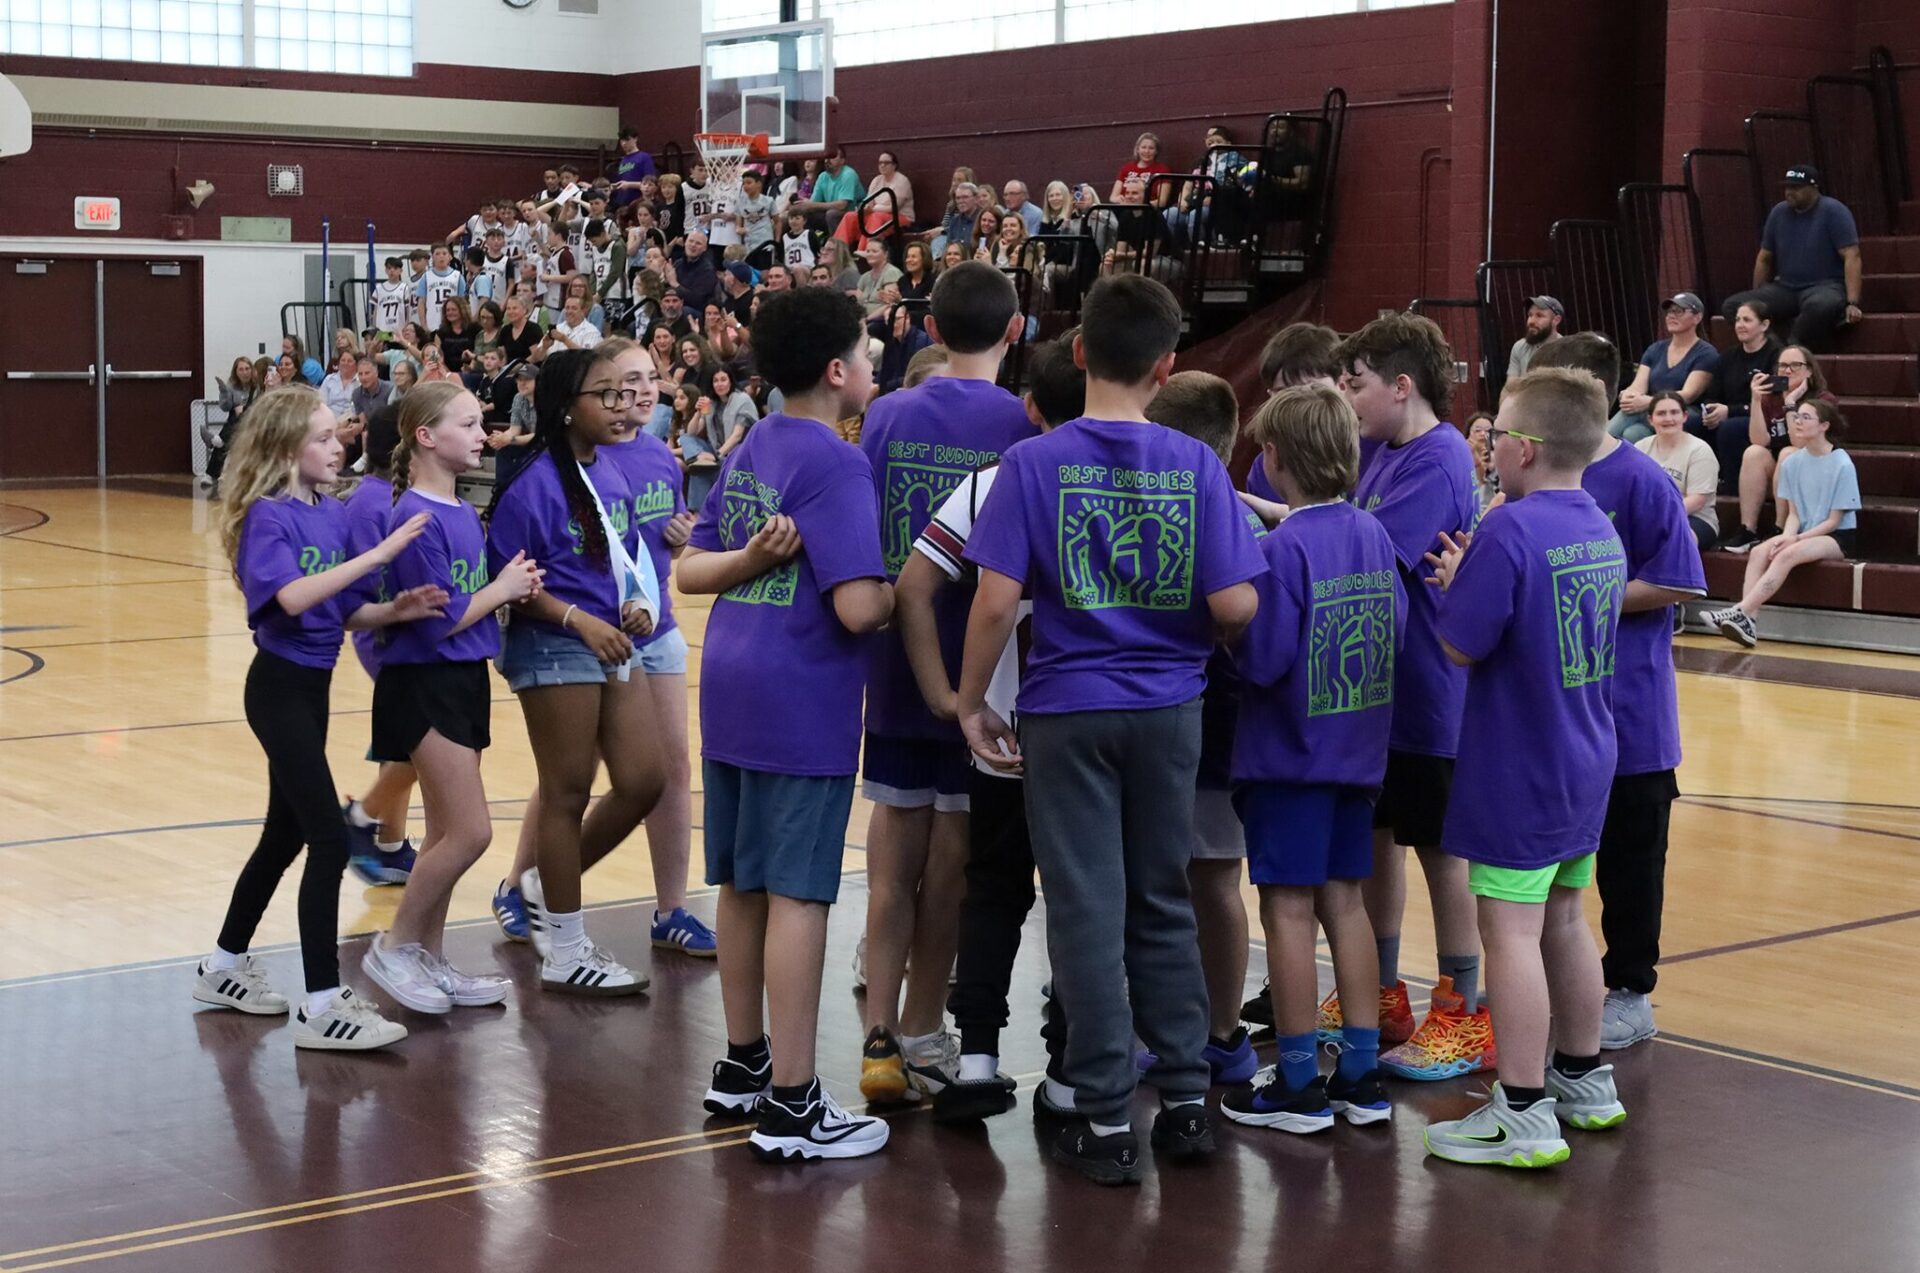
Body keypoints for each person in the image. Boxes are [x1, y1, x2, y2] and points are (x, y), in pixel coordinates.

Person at [958, 274, 1263, 1185]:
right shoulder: (1198, 463)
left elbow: (996, 599)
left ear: (1079, 351)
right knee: (1162, 899)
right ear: (1168, 367)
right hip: (1170, 709)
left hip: (1067, 709)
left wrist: (972, 700)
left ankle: (1100, 1116)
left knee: (1086, 907)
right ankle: (1181, 1102)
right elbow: (1234, 600)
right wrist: (1205, 630)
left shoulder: (1033, 464)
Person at [678, 287, 894, 1162]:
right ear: (839, 370)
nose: (874, 362)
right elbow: (855, 610)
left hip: (730, 681)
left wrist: (752, 560)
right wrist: (911, 578)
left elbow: (692, 570)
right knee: (801, 889)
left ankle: (742, 1065)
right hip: (801, 694)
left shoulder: (755, 440)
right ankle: (796, 1103)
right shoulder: (839, 463)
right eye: (869, 350)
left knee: (743, 881)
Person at [194, 386, 445, 1051]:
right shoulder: (267, 517)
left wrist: (394, 610)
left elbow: (337, 609)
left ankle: (222, 967)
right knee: (330, 839)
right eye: (325, 437)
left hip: (312, 691)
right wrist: (377, 557)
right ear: (284, 448)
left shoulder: (328, 515)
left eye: (340, 435)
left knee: (283, 836)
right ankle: (322, 1002)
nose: (340, 447)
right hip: (275, 689)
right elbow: (295, 594)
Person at [1421, 368, 1629, 1168]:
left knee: (1507, 930)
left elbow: (1459, 642)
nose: (1490, 444)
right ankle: (1583, 1078)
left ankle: (1522, 1106)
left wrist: (1452, 582)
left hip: (1520, 762)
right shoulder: (1596, 524)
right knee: (1568, 917)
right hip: (1585, 753)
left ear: (1524, 448)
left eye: (1499, 431)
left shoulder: (1509, 527)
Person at [853, 261, 1035, 1105]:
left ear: (928, 332)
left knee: (891, 863)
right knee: (953, 868)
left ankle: (878, 1036)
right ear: (1015, 330)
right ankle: (927, 1027)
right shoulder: (1026, 427)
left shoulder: (884, 414)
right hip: (981, 677)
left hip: (896, 662)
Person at [892, 335, 1086, 1124]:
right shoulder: (1162, 472)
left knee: (994, 891)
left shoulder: (995, 480)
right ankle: (1075, 1064)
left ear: (1029, 406)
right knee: (1090, 896)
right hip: (1106, 729)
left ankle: (974, 1057)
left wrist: (948, 696)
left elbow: (912, 589)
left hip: (1005, 732)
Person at [1218, 384, 1403, 1136]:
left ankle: (1296, 1081)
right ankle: (1360, 1072)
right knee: (1346, 904)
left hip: (1289, 758)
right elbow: (1395, 632)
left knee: (1287, 913)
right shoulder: (1374, 534)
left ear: (1272, 459)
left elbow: (1262, 661)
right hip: (1356, 753)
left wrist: (1224, 634)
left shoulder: (1281, 548)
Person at [1319, 313, 1489, 1084]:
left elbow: (1360, 546)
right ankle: (1383, 992)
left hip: (1427, 691)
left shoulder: (1440, 457)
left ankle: (1460, 1010)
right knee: (1380, 838)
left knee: (1440, 851)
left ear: (1402, 385)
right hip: (1374, 687)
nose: (1348, 399)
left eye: (1356, 385)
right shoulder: (1373, 449)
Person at [1535, 335, 1709, 1053]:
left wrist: (1589, 595)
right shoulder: (1539, 476)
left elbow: (1680, 579)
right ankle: (1557, 981)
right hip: (1559, 709)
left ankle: (1631, 988)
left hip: (1631, 711)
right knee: (1555, 858)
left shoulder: (1639, 481)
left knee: (1632, 858)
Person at [483, 348, 668, 991]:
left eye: (626, 394)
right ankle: (566, 951)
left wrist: (637, 603)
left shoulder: (609, 474)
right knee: (566, 792)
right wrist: (579, 621)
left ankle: (542, 886)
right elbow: (509, 582)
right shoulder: (530, 484)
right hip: (556, 643)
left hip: (613, 639)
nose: (623, 406)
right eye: (607, 395)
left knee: (646, 779)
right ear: (568, 407)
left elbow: (627, 557)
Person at [357, 384, 542, 1018]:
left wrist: (508, 587)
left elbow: (472, 601)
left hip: (464, 680)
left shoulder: (460, 510)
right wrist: (502, 588)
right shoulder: (415, 517)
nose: (482, 432)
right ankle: (395, 944)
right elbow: (440, 621)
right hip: (423, 683)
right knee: (470, 832)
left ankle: (429, 956)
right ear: (426, 437)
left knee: (441, 830)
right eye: (468, 423)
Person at [1135, 370, 1262, 1089]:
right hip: (1212, 724)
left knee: (1197, 881)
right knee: (1208, 880)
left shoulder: (1207, 509)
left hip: (1204, 721)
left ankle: (1209, 1031)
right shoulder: (1238, 512)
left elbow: (1237, 613)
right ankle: (1213, 1028)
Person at [339, 406, 419, 887]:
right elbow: (368, 582)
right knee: (422, 743)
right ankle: (362, 819)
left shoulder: (392, 497)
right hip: (387, 635)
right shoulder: (371, 504)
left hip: (404, 634)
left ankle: (389, 844)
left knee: (403, 741)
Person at [1706, 400, 1860, 648]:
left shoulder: (1841, 462)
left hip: (1835, 536)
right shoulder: (1792, 463)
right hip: (1801, 533)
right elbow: (1794, 515)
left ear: (1824, 425)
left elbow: (1834, 520)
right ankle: (1749, 622)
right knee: (1758, 551)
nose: (1798, 421)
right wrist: (1788, 535)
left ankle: (1740, 610)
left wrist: (1796, 540)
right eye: (1797, 416)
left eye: (1806, 417)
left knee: (1787, 555)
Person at [1721, 165, 1863, 349]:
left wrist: (1852, 302)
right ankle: (1773, 349)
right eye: (1787, 188)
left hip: (1825, 285)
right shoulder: (1779, 212)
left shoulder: (1834, 211)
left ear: (1814, 188)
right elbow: (1764, 257)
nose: (1789, 192)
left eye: (1796, 188)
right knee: (1733, 305)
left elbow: (1852, 256)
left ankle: (1793, 345)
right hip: (1785, 288)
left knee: (1822, 304)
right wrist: (1757, 300)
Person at [1720, 345, 1837, 551]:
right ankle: (1748, 530)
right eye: (1782, 365)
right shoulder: (1771, 397)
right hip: (1780, 474)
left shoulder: (1822, 400)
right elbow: (1759, 440)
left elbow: (1800, 443)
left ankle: (1780, 528)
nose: (1787, 370)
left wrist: (1790, 403)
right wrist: (1756, 400)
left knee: (1788, 453)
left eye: (1795, 365)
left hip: (1815, 470)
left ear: (1810, 371)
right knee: (1753, 453)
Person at [1606, 293, 1719, 443]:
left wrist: (1650, 402)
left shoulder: (1706, 353)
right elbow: (1638, 386)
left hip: (1686, 412)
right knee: (1633, 433)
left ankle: (1593, 448)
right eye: (1669, 312)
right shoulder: (1655, 349)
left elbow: (1688, 395)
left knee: (1631, 414)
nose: (1671, 316)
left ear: (1697, 317)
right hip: (1651, 409)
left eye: (1679, 311)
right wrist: (1629, 395)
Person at [1702, 300, 1781, 489]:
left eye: (1747, 320)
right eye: (1737, 320)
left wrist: (1730, 411)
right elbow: (1713, 392)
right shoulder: (1728, 356)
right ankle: (1705, 483)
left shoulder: (1776, 354)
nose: (1740, 325)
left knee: (1731, 428)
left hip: (1762, 418)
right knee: (1693, 422)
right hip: (1727, 414)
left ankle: (1733, 488)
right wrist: (1711, 409)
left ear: (1764, 325)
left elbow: (1772, 398)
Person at [1638, 392, 1720, 549]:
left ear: (1685, 417)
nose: (1669, 419)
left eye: (1674, 412)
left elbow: (1697, 500)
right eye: (1661, 413)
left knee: (1670, 537)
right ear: (1650, 420)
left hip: (1695, 518)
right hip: (1651, 516)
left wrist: (1659, 516)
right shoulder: (1640, 448)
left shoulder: (1699, 450)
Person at [486, 361, 541, 487]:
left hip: (549, 445)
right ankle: (501, 490)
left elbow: (540, 436)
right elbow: (514, 430)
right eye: (519, 379)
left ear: (538, 381)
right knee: (502, 447)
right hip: (532, 443)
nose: (522, 383)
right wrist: (500, 438)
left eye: (527, 379)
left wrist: (509, 439)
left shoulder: (546, 399)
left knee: (512, 444)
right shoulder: (518, 398)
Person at [790, 145, 863, 233]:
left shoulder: (848, 174)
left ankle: (836, 244)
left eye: (832, 157)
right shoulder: (823, 176)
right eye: (826, 157)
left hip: (854, 213)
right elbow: (813, 203)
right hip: (831, 213)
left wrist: (812, 205)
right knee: (802, 214)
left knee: (832, 214)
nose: (827, 160)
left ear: (842, 161)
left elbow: (842, 205)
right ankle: (808, 243)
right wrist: (803, 204)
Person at [1507, 295, 1564, 379]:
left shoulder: (1567, 350)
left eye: (1539, 316)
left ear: (1556, 320)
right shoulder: (1519, 347)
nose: (1531, 321)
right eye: (1530, 315)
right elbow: (1510, 386)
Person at [415, 243, 466, 334]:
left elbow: (463, 302)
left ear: (450, 256)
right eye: (437, 254)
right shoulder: (426, 277)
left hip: (453, 325)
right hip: (431, 325)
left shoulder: (458, 276)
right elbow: (421, 303)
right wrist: (423, 325)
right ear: (432, 257)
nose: (441, 256)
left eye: (444, 253)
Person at [1110, 131, 1171, 205]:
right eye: (1143, 147)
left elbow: (1162, 202)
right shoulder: (1127, 168)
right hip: (1123, 207)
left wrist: (1139, 205)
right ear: (1138, 149)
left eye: (1151, 148)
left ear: (1156, 151)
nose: (1147, 151)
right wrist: (1122, 201)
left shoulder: (1162, 170)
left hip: (1147, 210)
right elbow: (1113, 197)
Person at [611, 126, 657, 210]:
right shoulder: (623, 160)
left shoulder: (644, 157)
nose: (624, 143)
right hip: (621, 204)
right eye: (622, 140)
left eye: (627, 140)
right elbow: (620, 181)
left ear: (635, 139)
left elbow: (651, 183)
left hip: (638, 203)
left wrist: (629, 185)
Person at [855, 238, 904, 316]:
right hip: (862, 318)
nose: (870, 254)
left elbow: (889, 304)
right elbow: (857, 303)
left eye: (874, 251)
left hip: (880, 319)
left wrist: (868, 319)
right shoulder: (864, 277)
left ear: (885, 254)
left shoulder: (891, 272)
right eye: (868, 251)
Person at [371, 256, 411, 338]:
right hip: (383, 330)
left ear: (401, 271)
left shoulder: (405, 288)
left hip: (399, 331)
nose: (392, 271)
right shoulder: (379, 288)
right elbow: (375, 311)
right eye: (389, 268)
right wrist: (375, 327)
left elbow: (408, 311)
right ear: (386, 270)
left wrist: (405, 327)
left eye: (395, 268)